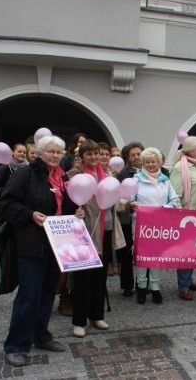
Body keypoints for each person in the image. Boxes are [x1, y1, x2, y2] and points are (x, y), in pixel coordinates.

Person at [0, 135, 83, 367]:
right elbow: (5, 203)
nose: (55, 155)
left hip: (57, 245)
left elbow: (66, 207)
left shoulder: (62, 177)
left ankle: (41, 335)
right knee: (29, 296)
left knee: (47, 293)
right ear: (40, 152)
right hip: (31, 246)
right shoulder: (27, 174)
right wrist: (29, 214)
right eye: (51, 151)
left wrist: (76, 213)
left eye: (59, 152)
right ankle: (16, 345)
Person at [66, 140, 126, 338]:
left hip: (106, 230)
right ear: (81, 157)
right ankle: (79, 320)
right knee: (83, 279)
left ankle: (96, 315)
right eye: (89, 154)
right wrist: (75, 211)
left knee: (100, 276)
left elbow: (113, 200)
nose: (94, 157)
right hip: (83, 232)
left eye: (97, 153)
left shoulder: (107, 174)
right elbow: (68, 204)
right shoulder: (74, 176)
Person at [129, 147, 179, 305]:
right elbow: (129, 200)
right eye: (147, 162)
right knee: (143, 256)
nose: (151, 164)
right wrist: (132, 204)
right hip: (141, 225)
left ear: (159, 163)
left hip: (160, 226)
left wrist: (163, 210)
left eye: (154, 161)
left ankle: (155, 287)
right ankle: (142, 287)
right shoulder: (136, 180)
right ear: (142, 163)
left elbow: (175, 201)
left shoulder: (166, 180)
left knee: (157, 256)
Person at [170, 136, 196, 300]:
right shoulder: (180, 168)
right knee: (185, 252)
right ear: (192, 150)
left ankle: (189, 279)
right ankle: (183, 286)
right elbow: (176, 193)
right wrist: (181, 214)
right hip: (187, 216)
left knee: (194, 251)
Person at [115, 141, 145, 297]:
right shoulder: (123, 174)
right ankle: (127, 285)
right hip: (128, 218)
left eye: (138, 154)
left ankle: (144, 283)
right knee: (127, 253)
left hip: (146, 219)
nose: (136, 157)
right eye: (132, 155)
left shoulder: (150, 170)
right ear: (127, 157)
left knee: (146, 251)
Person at [97, 141, 116, 276]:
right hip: (93, 219)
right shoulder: (91, 172)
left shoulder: (110, 174)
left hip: (108, 218)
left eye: (107, 154)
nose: (104, 157)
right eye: (101, 154)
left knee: (106, 249)